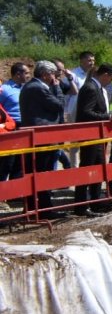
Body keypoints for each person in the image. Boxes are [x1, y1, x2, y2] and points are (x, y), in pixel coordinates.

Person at [18, 61, 65, 218]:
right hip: (42, 138)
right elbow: (59, 105)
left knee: (38, 173)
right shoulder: (38, 88)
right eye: (53, 74)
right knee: (41, 173)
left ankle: (36, 208)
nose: (55, 77)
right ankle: (43, 209)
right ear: (45, 75)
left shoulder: (33, 86)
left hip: (40, 137)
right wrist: (57, 88)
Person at [74, 63, 112, 216]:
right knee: (87, 168)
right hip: (90, 135)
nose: (110, 82)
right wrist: (108, 117)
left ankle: (95, 201)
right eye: (111, 79)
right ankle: (81, 205)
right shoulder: (91, 88)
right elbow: (86, 112)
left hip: (97, 135)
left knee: (98, 167)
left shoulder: (96, 87)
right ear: (105, 75)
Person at [0, 63, 30, 181]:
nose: (29, 76)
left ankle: (15, 189)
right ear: (18, 74)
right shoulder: (4, 90)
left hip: (24, 126)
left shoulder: (26, 88)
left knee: (20, 162)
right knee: (7, 162)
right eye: (26, 73)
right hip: (10, 128)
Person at [64, 51, 94, 168]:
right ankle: (74, 168)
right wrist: (67, 112)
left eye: (93, 60)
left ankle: (87, 166)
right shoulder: (73, 75)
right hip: (74, 112)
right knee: (75, 141)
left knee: (89, 140)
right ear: (81, 61)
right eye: (89, 60)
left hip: (88, 111)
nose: (92, 63)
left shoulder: (92, 75)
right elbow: (66, 93)